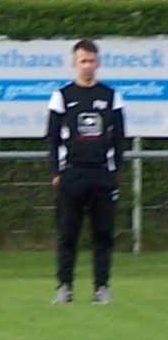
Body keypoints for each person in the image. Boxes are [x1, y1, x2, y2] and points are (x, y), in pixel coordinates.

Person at [48, 38, 125, 305]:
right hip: (73, 175)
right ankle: (64, 287)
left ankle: (101, 288)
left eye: (92, 61)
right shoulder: (62, 96)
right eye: (83, 61)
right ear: (74, 63)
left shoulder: (111, 96)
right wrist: (56, 171)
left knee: (102, 234)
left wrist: (116, 172)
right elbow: (52, 138)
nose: (87, 66)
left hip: (102, 175)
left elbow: (119, 139)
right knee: (68, 233)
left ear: (98, 63)